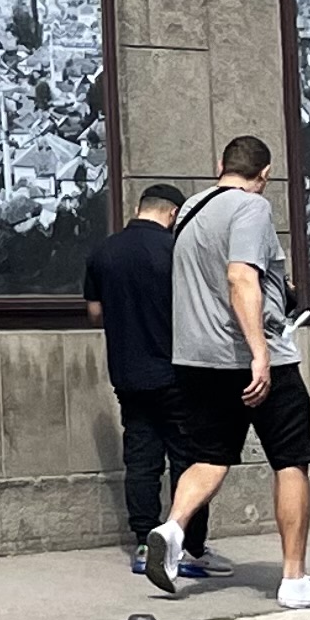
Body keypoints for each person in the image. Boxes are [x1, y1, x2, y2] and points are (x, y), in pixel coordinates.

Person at [146, 133, 310, 610]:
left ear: (221, 164)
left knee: (209, 456)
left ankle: (172, 529)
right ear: (265, 174)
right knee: (291, 459)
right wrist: (260, 353)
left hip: (196, 358)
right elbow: (240, 277)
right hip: (251, 355)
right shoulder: (251, 208)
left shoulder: (190, 209)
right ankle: (294, 579)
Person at [83, 182, 219, 579]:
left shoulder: (103, 251)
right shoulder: (177, 250)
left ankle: (145, 543)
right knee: (187, 459)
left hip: (128, 373)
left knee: (141, 460)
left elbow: (95, 313)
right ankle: (188, 547)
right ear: (173, 213)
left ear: (140, 208)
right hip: (178, 372)